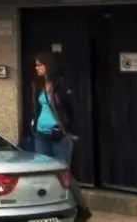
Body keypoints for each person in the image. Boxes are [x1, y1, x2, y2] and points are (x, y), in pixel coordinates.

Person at [32, 53, 92, 222]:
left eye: (39, 65)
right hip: (41, 135)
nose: (36, 68)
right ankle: (50, 209)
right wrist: (33, 126)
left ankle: (82, 208)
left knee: (62, 173)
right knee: (43, 172)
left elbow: (74, 110)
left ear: (48, 66)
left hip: (59, 136)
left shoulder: (62, 85)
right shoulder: (39, 85)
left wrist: (66, 130)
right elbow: (38, 109)